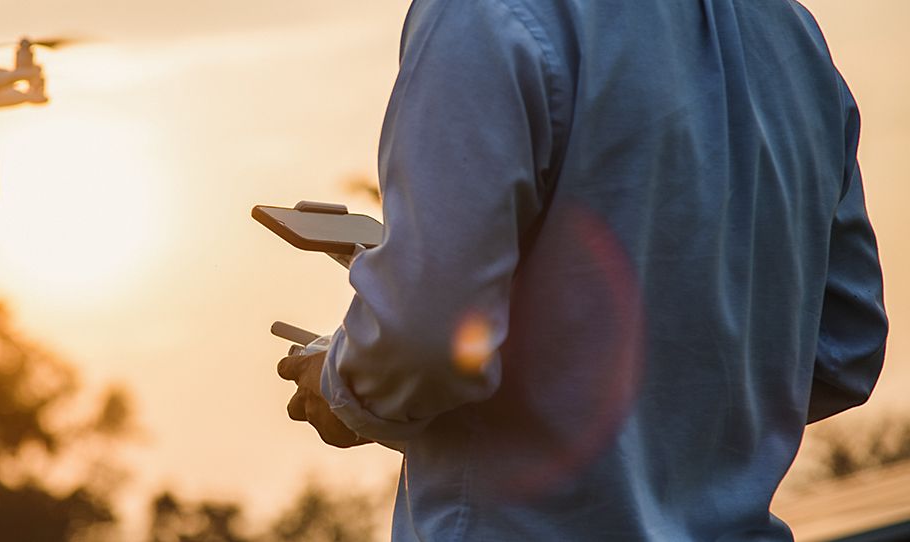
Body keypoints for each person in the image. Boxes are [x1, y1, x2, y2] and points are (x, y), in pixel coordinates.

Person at [275, 0, 887, 539]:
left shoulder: (487, 13)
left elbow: (428, 339)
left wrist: (340, 383)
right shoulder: (792, 34)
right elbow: (843, 350)